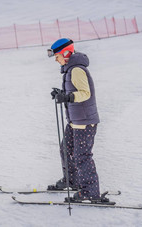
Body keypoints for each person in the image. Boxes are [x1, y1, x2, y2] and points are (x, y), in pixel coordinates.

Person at [47, 38, 110, 203]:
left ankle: (90, 191)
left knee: (82, 156)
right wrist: (61, 93)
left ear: (66, 53)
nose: (56, 59)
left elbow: (85, 93)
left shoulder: (76, 70)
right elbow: (74, 90)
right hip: (75, 120)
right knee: (66, 149)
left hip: (84, 121)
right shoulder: (69, 70)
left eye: (57, 56)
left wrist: (67, 97)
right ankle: (73, 181)